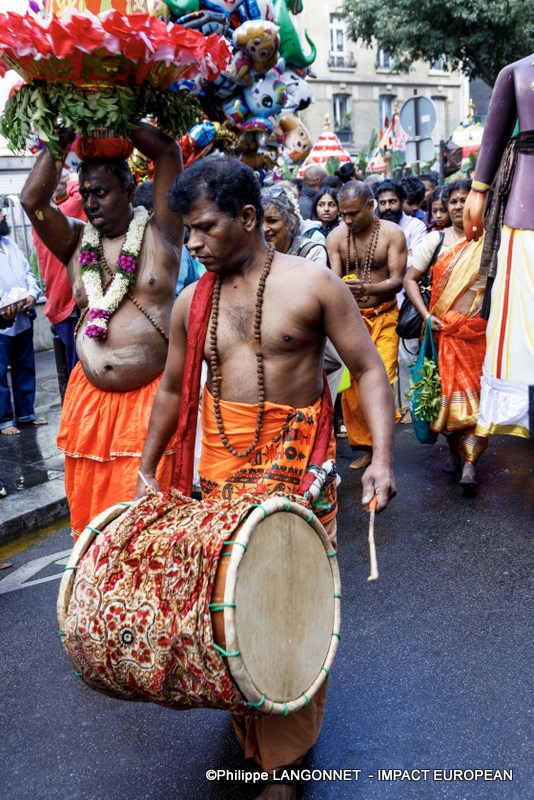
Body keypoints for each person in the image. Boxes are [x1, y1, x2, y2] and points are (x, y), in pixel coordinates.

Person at [134, 156, 397, 799]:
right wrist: (146, 469)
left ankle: (281, 761)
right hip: (222, 474)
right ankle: (250, 717)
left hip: (299, 467)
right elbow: (172, 389)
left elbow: (366, 367)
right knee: (233, 609)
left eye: (203, 227)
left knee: (290, 604)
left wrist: (383, 459)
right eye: (186, 230)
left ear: (248, 218)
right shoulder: (193, 300)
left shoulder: (313, 286)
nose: (192, 243)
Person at [20, 122, 183, 539]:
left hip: (152, 402)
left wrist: (115, 109)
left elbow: (167, 153)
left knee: (151, 525)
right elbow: (31, 199)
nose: (90, 202)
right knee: (98, 527)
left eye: (102, 192)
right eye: (86, 192)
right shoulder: (75, 241)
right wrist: (64, 133)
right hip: (90, 406)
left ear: (129, 192)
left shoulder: (162, 232)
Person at [463, 53, 534, 439]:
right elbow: (493, 137)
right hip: (525, 210)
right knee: (523, 324)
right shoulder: (517, 72)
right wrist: (478, 191)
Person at [404, 179, 488, 487]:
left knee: (478, 402)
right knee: (448, 400)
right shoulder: (435, 241)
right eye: (452, 200)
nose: (457, 206)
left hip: (478, 332)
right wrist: (426, 317)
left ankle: (470, 462)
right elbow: (410, 279)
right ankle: (456, 452)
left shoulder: (489, 243)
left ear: (476, 205)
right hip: (443, 332)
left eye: (464, 200)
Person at [326, 181, 406, 469]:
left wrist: (370, 289)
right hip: (352, 321)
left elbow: (398, 280)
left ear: (371, 207)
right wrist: (346, 290)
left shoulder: (392, 234)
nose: (347, 220)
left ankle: (383, 451)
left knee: (382, 377)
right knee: (354, 390)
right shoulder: (335, 238)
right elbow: (334, 279)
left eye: (353, 214)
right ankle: (369, 449)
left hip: (385, 316)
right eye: (343, 214)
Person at [32, 173, 86, 379]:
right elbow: (79, 199)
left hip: (63, 305)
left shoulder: (43, 218)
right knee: (80, 374)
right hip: (67, 307)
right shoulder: (51, 217)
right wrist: (72, 179)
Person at [0, 207, 46, 436]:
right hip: (2, 322)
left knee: (25, 366)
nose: (3, 215)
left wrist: (31, 294)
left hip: (23, 316)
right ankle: (4, 420)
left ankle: (26, 413)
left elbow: (28, 272)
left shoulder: (10, 245)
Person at [261, 185, 328, 266]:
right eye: (259, 222)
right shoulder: (254, 253)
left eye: (272, 221)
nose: (264, 228)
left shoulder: (312, 253)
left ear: (292, 222)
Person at [375, 179, 427, 268]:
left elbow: (416, 263)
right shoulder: (373, 227)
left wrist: (382, 257)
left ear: (402, 201)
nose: (387, 207)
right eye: (383, 203)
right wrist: (404, 254)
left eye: (392, 201)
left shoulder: (416, 226)